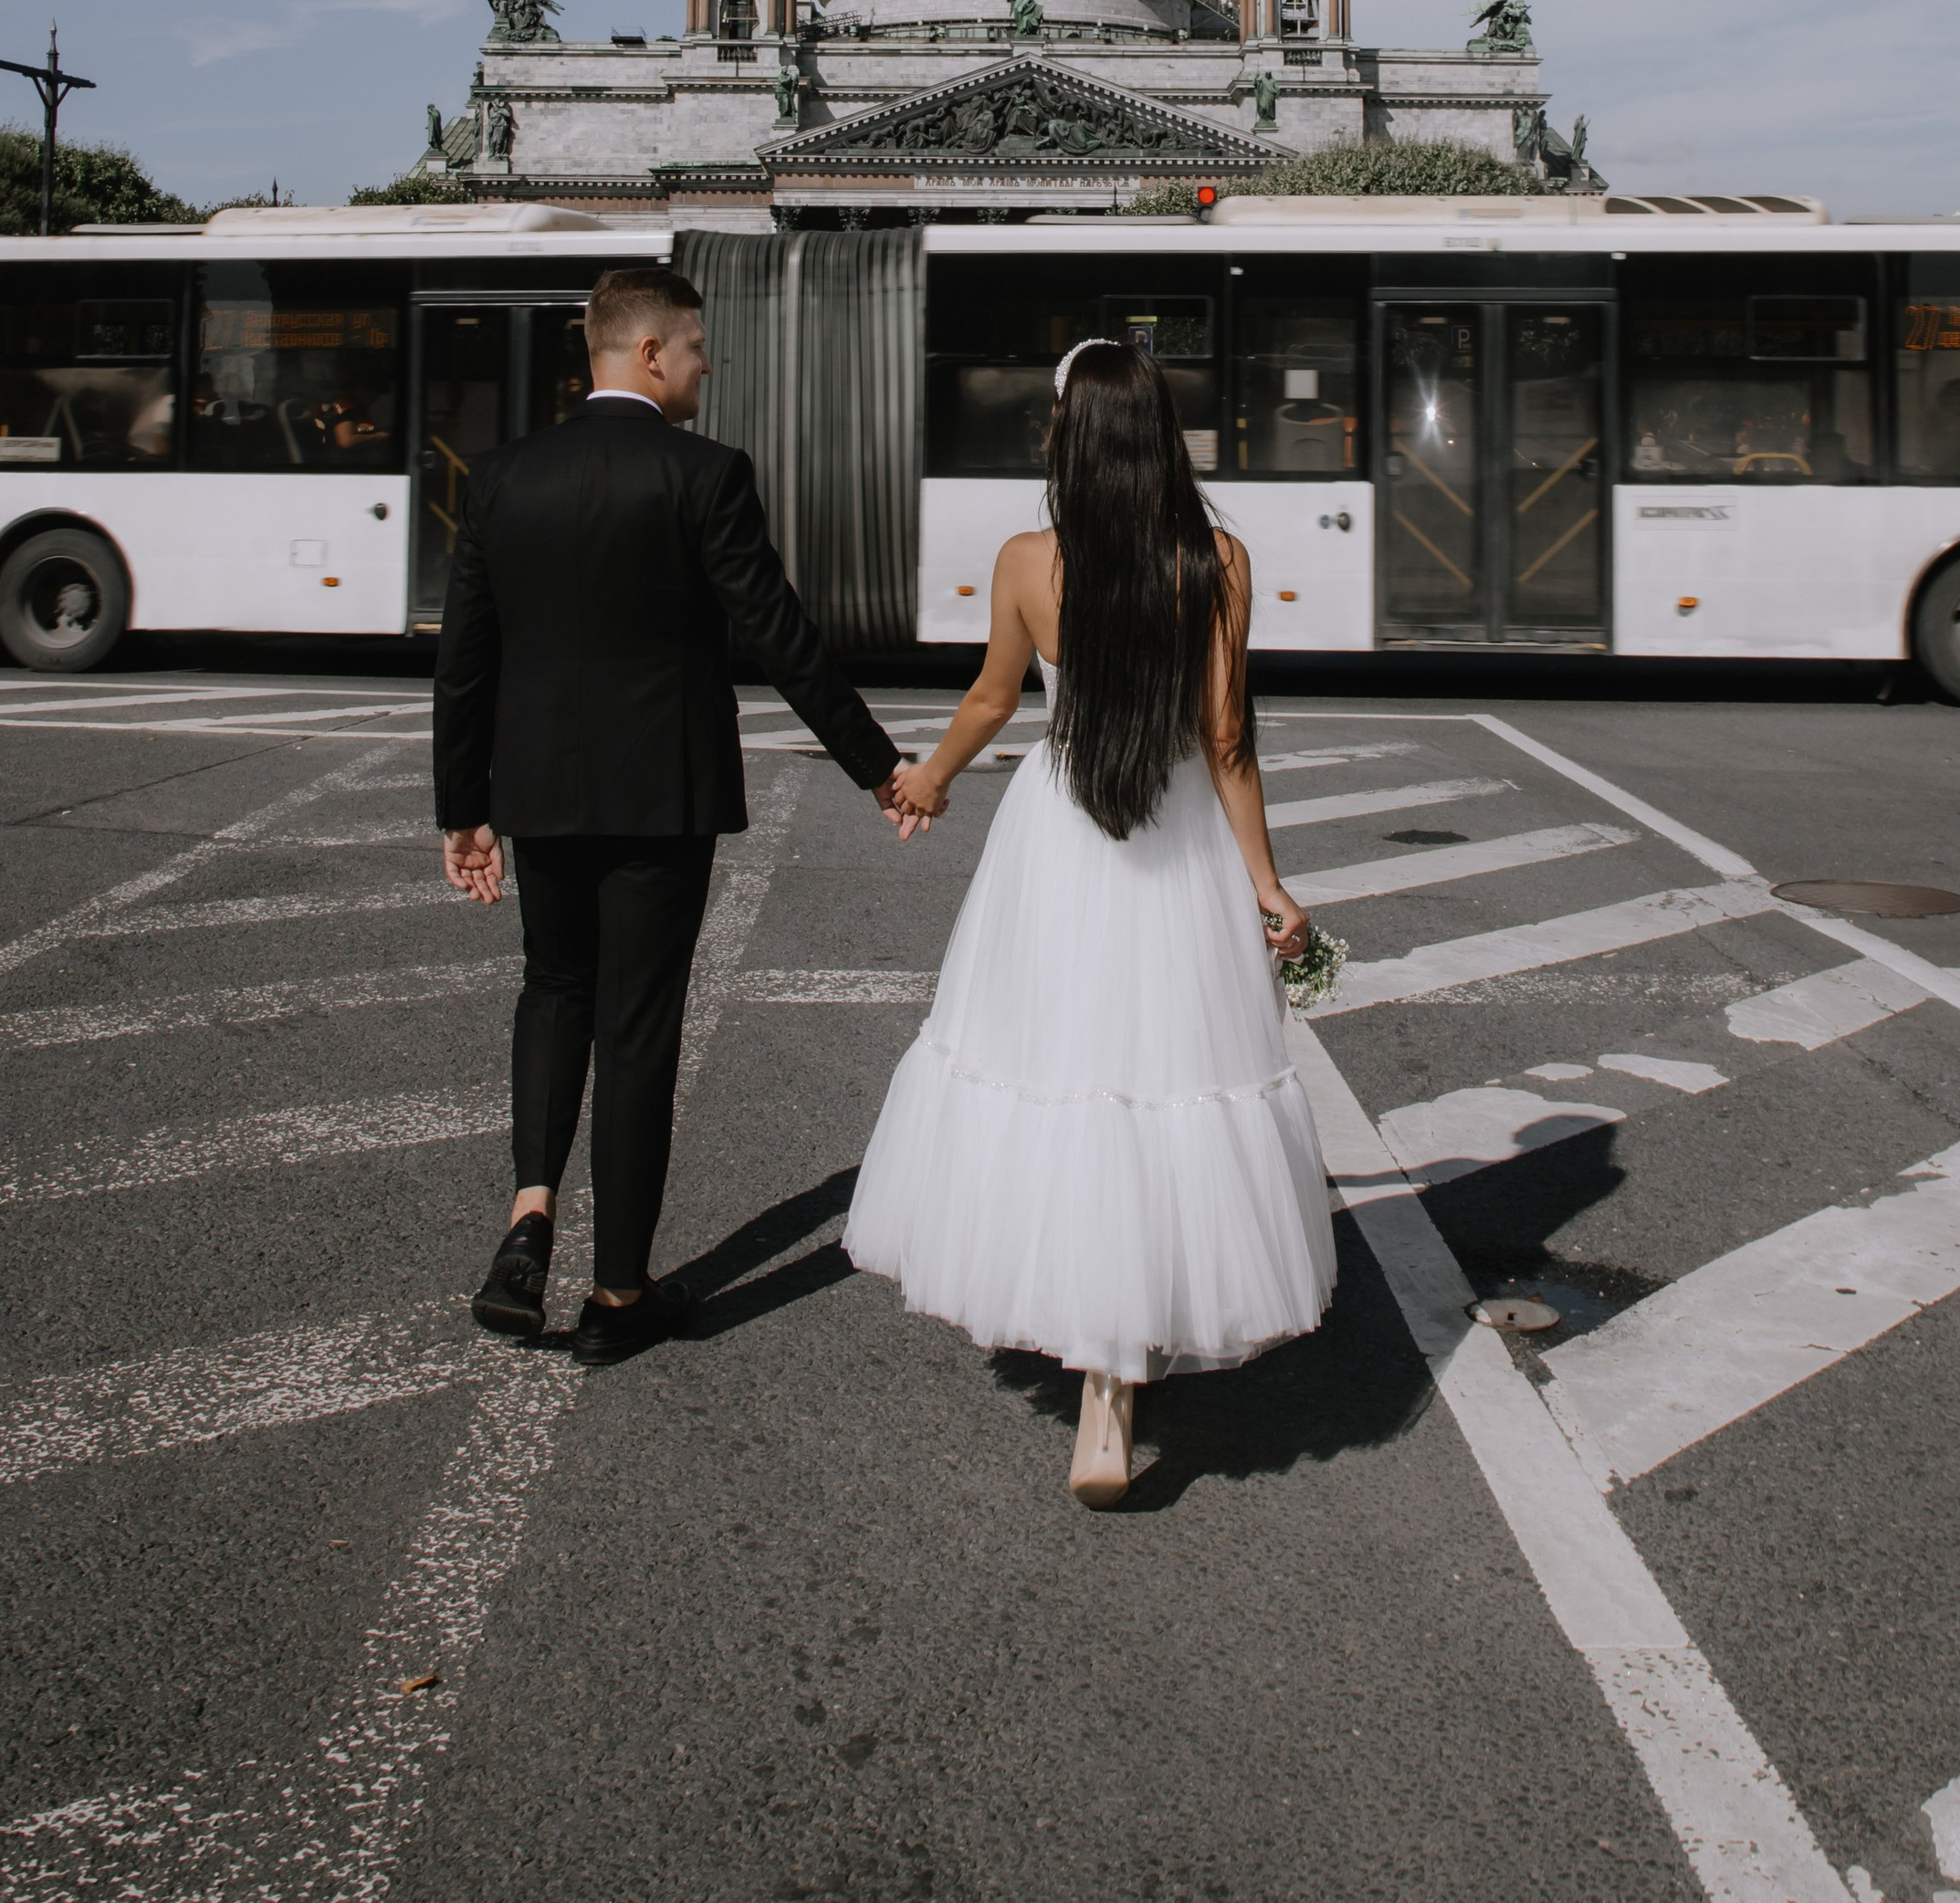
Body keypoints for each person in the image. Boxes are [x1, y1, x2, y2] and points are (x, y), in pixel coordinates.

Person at [845, 339, 1336, 1506]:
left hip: (1060, 833)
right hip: (1177, 836)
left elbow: (990, 698)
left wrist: (927, 781)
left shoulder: (1028, 562)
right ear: (1160, 436)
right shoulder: (1216, 560)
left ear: (1068, 439)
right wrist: (1267, 884)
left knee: (1058, 1071)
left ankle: (1086, 1346)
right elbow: (1226, 738)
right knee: (1164, 1077)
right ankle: (1115, 1385)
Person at [434, 261, 910, 1365]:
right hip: (662, 793)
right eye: (696, 348)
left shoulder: (503, 477)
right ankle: (617, 1292)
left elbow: (465, 662)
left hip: (540, 791)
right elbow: (778, 633)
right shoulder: (704, 475)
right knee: (637, 1023)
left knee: (553, 988)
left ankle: (530, 1215)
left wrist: (464, 809)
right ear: (649, 353)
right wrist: (876, 765)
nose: (706, 367)